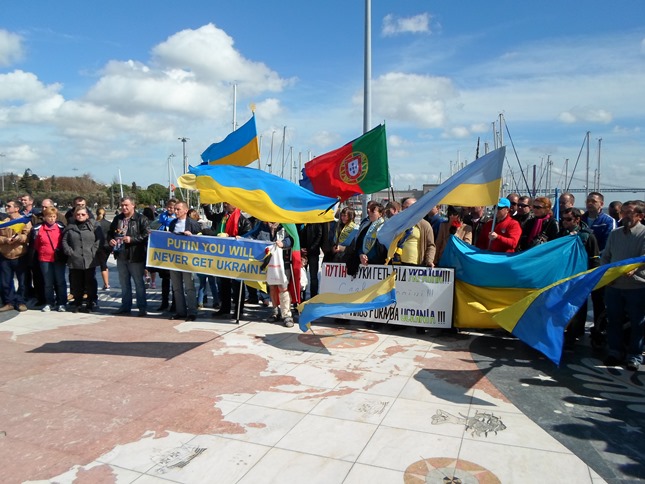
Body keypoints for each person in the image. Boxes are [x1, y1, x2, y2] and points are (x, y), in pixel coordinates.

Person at [601, 200, 645, 371]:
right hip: (614, 286)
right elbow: (606, 256)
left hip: (637, 287)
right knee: (614, 320)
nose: (624, 216)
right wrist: (606, 275)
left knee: (638, 322)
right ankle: (615, 351)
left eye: (629, 212)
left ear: (640, 216)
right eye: (623, 212)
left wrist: (634, 269)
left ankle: (635, 355)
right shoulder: (615, 234)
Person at [557, 207, 600, 350]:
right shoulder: (561, 234)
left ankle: (575, 333)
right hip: (563, 276)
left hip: (580, 277)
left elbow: (594, 258)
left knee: (578, 307)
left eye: (568, 219)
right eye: (563, 219)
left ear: (577, 219)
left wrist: (592, 277)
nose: (565, 222)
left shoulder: (587, 236)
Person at [203, 202, 252, 319]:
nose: (225, 205)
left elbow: (248, 237)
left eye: (227, 203)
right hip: (223, 256)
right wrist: (206, 205)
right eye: (224, 203)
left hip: (237, 257)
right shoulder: (222, 217)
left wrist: (232, 238)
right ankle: (225, 308)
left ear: (235, 204)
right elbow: (210, 216)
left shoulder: (243, 221)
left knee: (237, 285)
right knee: (223, 284)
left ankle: (238, 310)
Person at [581, 191, 616, 348]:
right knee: (579, 299)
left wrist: (592, 255)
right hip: (580, 266)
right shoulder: (581, 219)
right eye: (588, 201)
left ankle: (598, 330)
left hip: (598, 266)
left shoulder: (608, 221)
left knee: (598, 300)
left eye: (593, 201)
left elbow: (608, 245)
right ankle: (576, 329)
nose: (590, 203)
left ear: (601, 204)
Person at [108, 197, 150, 317]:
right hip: (120, 254)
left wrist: (132, 239)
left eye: (126, 205)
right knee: (124, 283)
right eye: (122, 205)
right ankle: (125, 306)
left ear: (133, 205)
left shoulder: (141, 219)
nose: (124, 207)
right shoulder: (118, 218)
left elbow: (147, 234)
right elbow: (110, 233)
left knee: (139, 283)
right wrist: (110, 240)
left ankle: (142, 307)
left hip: (135, 255)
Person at [62, 206, 103, 313]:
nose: (80, 216)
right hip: (75, 259)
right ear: (74, 216)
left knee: (90, 282)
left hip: (90, 259)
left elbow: (99, 240)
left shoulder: (93, 226)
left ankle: (91, 303)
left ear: (87, 215)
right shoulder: (70, 227)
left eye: (83, 214)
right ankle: (78, 303)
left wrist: (93, 251)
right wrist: (70, 251)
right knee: (77, 283)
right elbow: (64, 241)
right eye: (78, 214)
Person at [256, 221, 295, 328]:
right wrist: (241, 238)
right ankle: (275, 311)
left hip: (283, 262)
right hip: (269, 262)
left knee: (283, 287)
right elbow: (254, 236)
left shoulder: (285, 224)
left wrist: (284, 243)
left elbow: (292, 238)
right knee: (272, 287)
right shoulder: (263, 225)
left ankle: (286, 314)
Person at [168, 202, 201, 321]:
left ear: (185, 211)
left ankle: (192, 312)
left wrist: (192, 236)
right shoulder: (173, 223)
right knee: (176, 287)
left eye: (178, 209)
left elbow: (201, 241)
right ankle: (180, 311)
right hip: (174, 260)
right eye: (175, 209)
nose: (175, 211)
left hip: (188, 260)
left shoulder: (193, 223)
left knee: (189, 287)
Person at [32, 206, 67, 312]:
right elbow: (37, 245)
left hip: (58, 259)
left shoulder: (61, 228)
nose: (51, 219)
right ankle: (49, 303)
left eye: (53, 216)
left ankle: (61, 303)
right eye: (49, 216)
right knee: (48, 283)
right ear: (44, 217)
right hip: (44, 259)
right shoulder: (39, 229)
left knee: (60, 281)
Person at [0, 200, 32, 312]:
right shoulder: (3, 222)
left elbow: (28, 236)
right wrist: (5, 240)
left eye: (9, 206)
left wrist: (19, 238)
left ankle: (21, 302)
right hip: (5, 255)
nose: (6, 208)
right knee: (5, 282)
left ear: (17, 208)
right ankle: (9, 302)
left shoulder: (24, 221)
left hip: (20, 255)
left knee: (22, 282)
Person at [392, 197, 436, 267]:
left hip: (416, 265)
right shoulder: (398, 224)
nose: (406, 210)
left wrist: (429, 260)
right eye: (404, 207)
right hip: (397, 263)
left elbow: (430, 245)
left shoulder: (425, 225)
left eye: (409, 207)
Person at [346, 201, 387, 277]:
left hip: (378, 264)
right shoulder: (365, 225)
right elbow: (359, 243)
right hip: (363, 263)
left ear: (380, 214)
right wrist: (361, 254)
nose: (370, 213)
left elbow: (383, 247)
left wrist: (369, 256)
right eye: (369, 211)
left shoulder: (385, 227)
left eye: (373, 212)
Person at [298, 222, 323, 299]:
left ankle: (314, 297)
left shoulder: (316, 223)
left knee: (313, 276)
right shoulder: (300, 223)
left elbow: (319, 236)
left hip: (313, 253)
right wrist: (300, 248)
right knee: (301, 275)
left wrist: (311, 248)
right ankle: (301, 297)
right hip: (302, 252)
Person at [95, 207, 112, 290]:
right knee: (104, 263)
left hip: (99, 246)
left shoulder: (95, 224)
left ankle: (106, 284)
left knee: (103, 265)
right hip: (108, 245)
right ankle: (106, 283)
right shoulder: (109, 223)